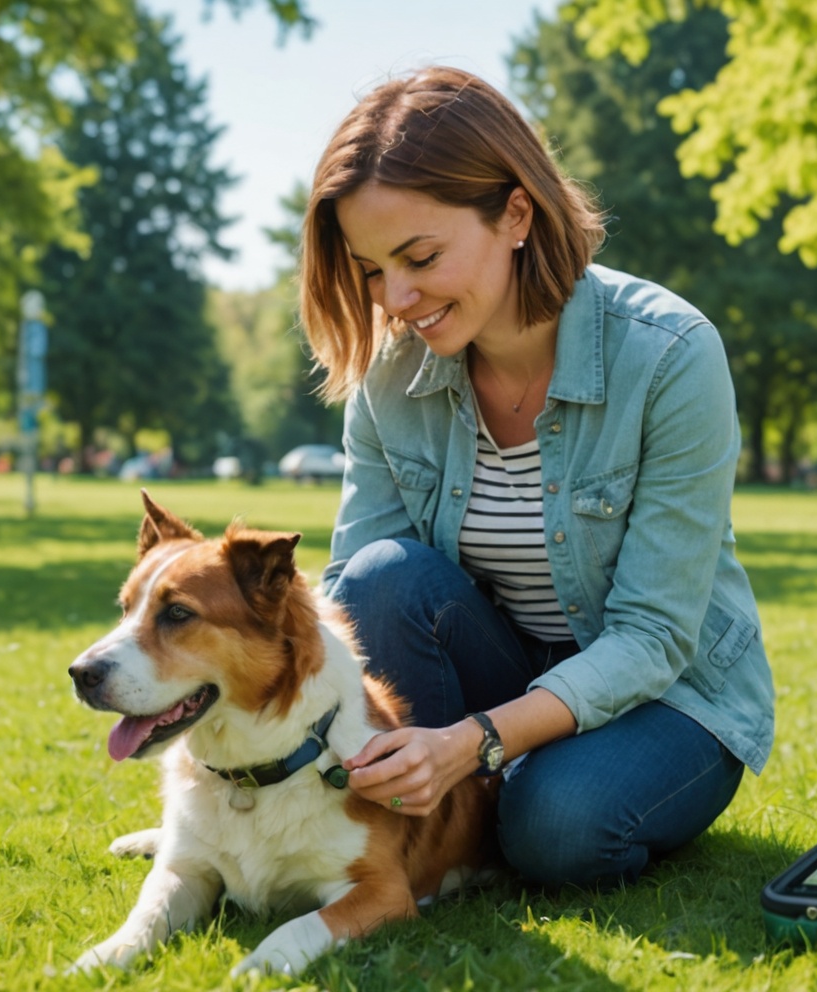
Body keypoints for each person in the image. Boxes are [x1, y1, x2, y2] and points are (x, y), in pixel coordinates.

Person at [301, 66, 774, 889]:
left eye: (419, 256)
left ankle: (500, 805)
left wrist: (472, 744)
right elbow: (352, 602)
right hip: (501, 667)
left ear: (515, 212)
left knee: (554, 828)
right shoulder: (388, 377)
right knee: (380, 577)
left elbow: (655, 636)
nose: (397, 299)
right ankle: (469, 807)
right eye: (373, 269)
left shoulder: (669, 356)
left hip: (667, 695)